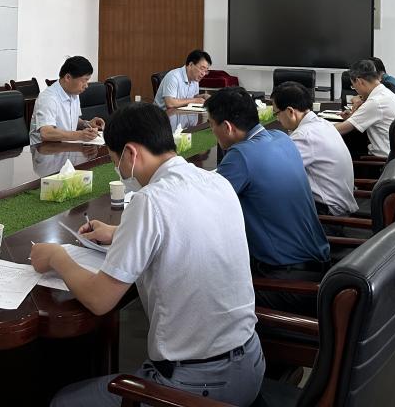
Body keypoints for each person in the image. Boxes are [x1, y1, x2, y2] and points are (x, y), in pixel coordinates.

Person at [33, 103, 264, 406]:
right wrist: (119, 232)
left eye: (115, 161)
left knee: (64, 401)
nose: (119, 171)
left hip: (198, 384)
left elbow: (100, 300)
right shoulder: (216, 181)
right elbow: (184, 228)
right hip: (251, 363)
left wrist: (56, 257)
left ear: (130, 153)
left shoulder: (149, 200)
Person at [207, 87, 331, 316]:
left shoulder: (241, 155)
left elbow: (204, 205)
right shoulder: (281, 138)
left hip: (286, 280)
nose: (212, 130)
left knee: (206, 293)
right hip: (318, 266)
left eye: (211, 125)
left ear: (227, 127)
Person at [272, 81, 358, 216]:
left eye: (276, 113)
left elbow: (275, 171)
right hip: (340, 201)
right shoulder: (323, 124)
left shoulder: (304, 136)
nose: (277, 119)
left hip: (327, 212)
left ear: (290, 111)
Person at [334, 58, 395, 158]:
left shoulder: (375, 102)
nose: (356, 91)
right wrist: (352, 117)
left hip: (379, 161)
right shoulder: (385, 93)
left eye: (354, 86)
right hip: (393, 156)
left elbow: (341, 129)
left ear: (359, 81)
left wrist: (317, 127)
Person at [30, 55, 105, 145]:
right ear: (68, 77)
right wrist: (80, 135)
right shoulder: (48, 98)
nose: (86, 86)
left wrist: (87, 124)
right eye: (84, 80)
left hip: (66, 147)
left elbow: (72, 120)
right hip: (45, 150)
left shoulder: (74, 94)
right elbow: (46, 133)